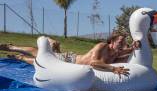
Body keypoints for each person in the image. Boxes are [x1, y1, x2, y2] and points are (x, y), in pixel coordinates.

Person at [0, 34, 141, 77]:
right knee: (40, 55)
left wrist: (135, 46)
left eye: (124, 43)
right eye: (120, 42)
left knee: (41, 59)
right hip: (69, 60)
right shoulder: (102, 46)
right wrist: (113, 69)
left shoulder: (116, 52)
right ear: (111, 42)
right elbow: (93, 63)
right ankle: (12, 47)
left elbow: (129, 52)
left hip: (70, 66)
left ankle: (20, 58)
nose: (123, 44)